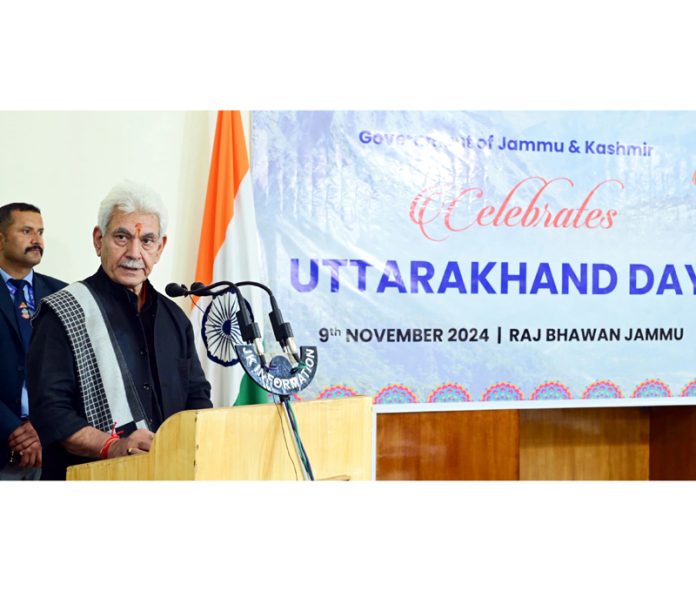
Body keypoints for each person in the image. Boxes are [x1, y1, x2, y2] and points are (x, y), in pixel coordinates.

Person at [27, 181, 212, 480]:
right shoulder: (64, 312)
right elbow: (50, 411)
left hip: (167, 477)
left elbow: (197, 398)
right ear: (99, 240)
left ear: (161, 247)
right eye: (122, 237)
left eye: (147, 240)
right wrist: (113, 447)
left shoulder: (174, 318)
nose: (134, 252)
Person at [0, 203, 67, 480]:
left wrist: (43, 427)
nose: (37, 240)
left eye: (40, 232)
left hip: (51, 446)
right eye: (26, 231)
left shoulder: (63, 294)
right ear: (1, 238)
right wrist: (11, 428)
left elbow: (75, 373)